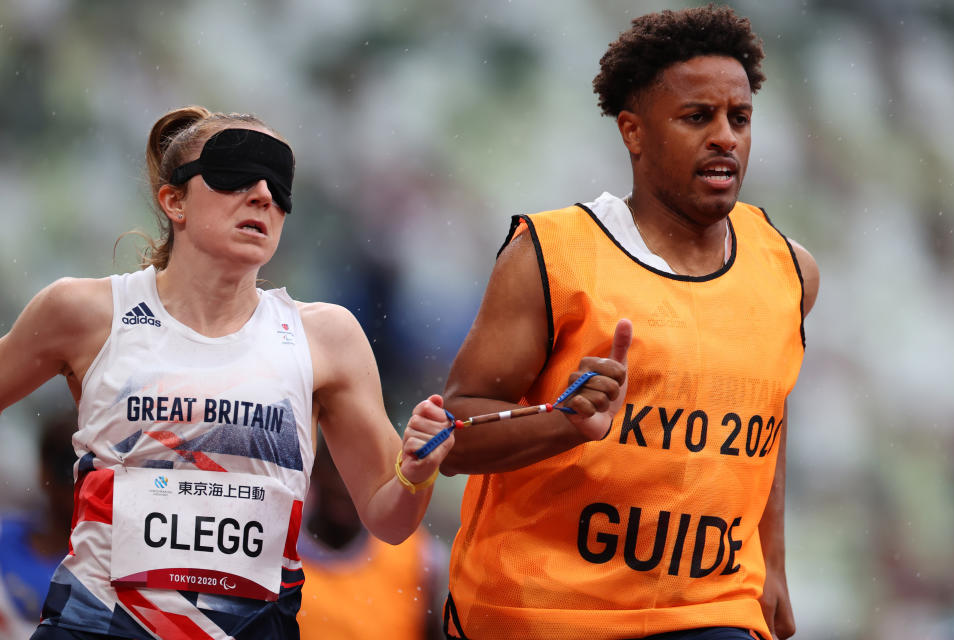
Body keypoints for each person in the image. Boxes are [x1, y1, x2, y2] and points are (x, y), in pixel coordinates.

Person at [0, 105, 455, 639]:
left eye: (279, 184)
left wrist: (416, 472)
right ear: (174, 201)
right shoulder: (86, 312)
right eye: (234, 174)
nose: (263, 194)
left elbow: (390, 520)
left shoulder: (326, 338)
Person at [439, 6, 819, 640]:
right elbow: (453, 434)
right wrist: (561, 423)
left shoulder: (789, 269)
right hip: (543, 610)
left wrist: (772, 564)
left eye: (740, 118)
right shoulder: (551, 255)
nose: (725, 136)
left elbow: (766, 423)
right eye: (698, 117)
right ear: (633, 132)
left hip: (708, 611)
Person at [297, 439, 446, 640]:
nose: (345, 485)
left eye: (360, 475)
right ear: (315, 472)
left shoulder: (420, 556)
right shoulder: (273, 547)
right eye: (336, 468)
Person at [0, 409, 76, 639]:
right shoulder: (4, 538)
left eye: (93, 471)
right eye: (69, 466)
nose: (80, 484)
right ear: (44, 470)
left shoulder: (110, 569)